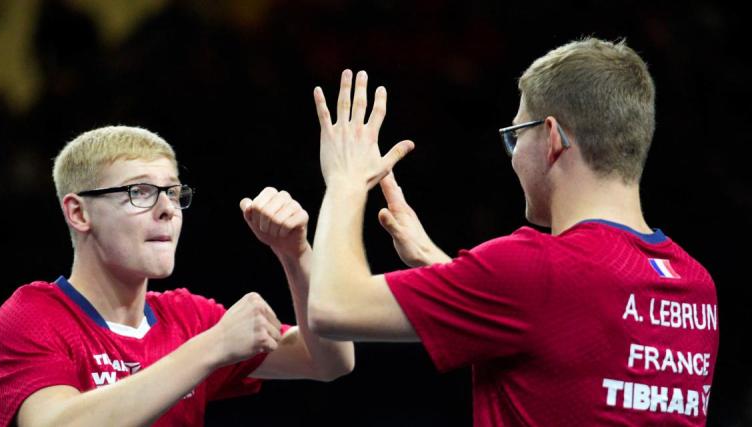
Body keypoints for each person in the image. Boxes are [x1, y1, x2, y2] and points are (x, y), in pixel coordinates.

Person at [307, 38, 719, 425]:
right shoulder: (697, 286)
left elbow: (333, 308)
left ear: (552, 136)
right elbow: (563, 341)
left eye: (517, 135)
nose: (513, 154)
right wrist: (438, 267)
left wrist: (345, 180)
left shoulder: (534, 269)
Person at [0, 126, 353, 427]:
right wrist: (212, 347)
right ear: (79, 213)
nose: (167, 210)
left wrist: (296, 254)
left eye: (174, 193)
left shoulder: (189, 318)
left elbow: (330, 361)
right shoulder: (33, 315)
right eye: (140, 192)